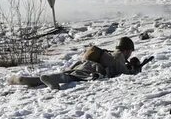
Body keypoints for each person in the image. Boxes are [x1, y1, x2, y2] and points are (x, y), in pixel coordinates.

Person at [9, 37, 141, 89]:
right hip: (92, 69)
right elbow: (121, 71)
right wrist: (134, 70)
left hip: (85, 64)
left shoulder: (113, 53)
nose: (130, 54)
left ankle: (25, 80)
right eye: (130, 51)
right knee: (68, 77)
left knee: (68, 74)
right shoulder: (119, 55)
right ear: (127, 49)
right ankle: (49, 79)